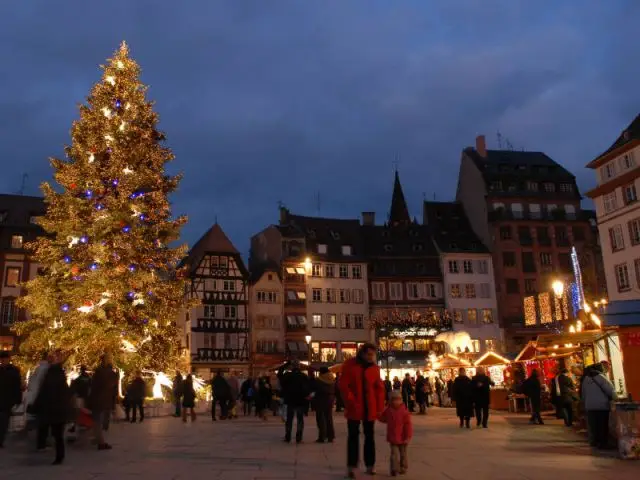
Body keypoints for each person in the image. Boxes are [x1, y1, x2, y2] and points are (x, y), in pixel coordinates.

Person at [339, 343, 385, 478]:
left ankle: (370, 465)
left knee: (369, 437)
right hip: (355, 407)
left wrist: (379, 408)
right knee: (353, 437)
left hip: (369, 408)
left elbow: (379, 389)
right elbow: (343, 385)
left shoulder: (375, 369)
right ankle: (352, 466)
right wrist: (350, 401)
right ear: (363, 353)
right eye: (369, 354)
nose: (372, 357)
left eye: (373, 355)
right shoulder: (350, 365)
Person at [32, 351, 72, 465]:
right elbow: (65, 393)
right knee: (58, 434)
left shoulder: (50, 374)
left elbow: (44, 391)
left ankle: (53, 451)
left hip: (52, 408)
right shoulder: (60, 375)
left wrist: (36, 405)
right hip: (58, 408)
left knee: (54, 432)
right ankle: (59, 455)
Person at [582, 362, 616, 449]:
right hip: (601, 405)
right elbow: (610, 390)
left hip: (590, 406)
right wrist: (614, 398)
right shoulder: (601, 377)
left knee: (594, 426)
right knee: (602, 425)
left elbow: (583, 393)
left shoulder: (586, 379)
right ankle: (603, 443)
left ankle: (595, 442)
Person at [87, 353, 118, 450]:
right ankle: (100, 442)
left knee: (96, 420)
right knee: (97, 421)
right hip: (101, 400)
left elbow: (93, 387)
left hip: (97, 400)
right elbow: (112, 386)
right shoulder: (108, 374)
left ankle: (97, 438)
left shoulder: (99, 372)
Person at [379, 391, 413, 477]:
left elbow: (408, 425)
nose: (396, 402)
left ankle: (403, 467)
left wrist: (408, 436)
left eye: (398, 399)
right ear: (390, 401)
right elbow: (383, 419)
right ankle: (394, 469)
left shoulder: (404, 412)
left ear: (401, 400)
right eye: (394, 400)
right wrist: (378, 415)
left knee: (403, 454)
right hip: (393, 437)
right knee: (394, 454)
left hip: (403, 437)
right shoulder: (388, 410)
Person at [278, 360, 311, 443]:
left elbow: (279, 374)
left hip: (290, 400)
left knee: (289, 419)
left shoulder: (287, 375)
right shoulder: (303, 376)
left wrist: (286, 364)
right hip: (300, 400)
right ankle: (299, 438)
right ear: (299, 367)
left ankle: (288, 436)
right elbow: (308, 388)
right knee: (300, 419)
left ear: (291, 367)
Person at [0, 351, 22, 448]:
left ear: (9, 360)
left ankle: (0, 441)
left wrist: (17, 400)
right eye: (2, 359)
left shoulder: (14, 371)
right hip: (3, 399)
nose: (3, 361)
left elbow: (17, 387)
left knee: (4, 423)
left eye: (5, 359)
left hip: (7, 401)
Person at [313, 366, 336, 443]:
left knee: (320, 418)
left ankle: (322, 436)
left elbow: (315, 388)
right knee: (329, 418)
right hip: (330, 399)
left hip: (320, 400)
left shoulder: (319, 380)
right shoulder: (332, 378)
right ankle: (330, 436)